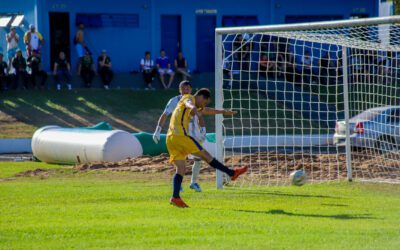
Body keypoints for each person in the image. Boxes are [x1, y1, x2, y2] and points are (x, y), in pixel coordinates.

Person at [166, 88, 248, 208]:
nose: (203, 105)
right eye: (204, 102)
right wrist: (192, 107)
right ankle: (231, 173)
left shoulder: (195, 104)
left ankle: (175, 197)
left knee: (181, 168)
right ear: (201, 97)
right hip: (180, 136)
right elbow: (188, 102)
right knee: (206, 156)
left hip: (170, 138)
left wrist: (223, 111)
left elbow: (207, 111)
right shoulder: (189, 97)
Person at [153, 81, 206, 193]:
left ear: (191, 90)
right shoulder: (174, 101)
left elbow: (201, 115)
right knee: (181, 160)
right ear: (179, 90)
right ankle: (179, 184)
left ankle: (193, 182)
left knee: (198, 159)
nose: (185, 91)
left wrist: (203, 130)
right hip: (179, 134)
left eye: (187, 89)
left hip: (193, 134)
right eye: (183, 89)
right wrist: (158, 130)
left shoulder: (195, 101)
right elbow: (165, 114)